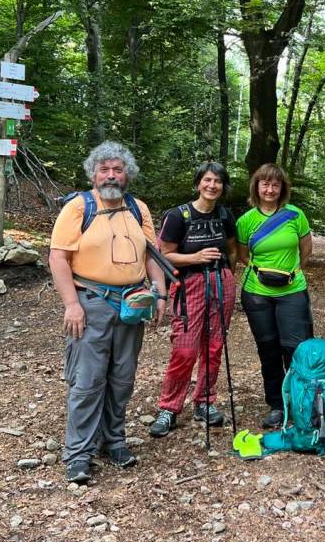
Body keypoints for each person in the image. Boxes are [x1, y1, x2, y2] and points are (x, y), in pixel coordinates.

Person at [49, 141, 165, 485]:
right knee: (87, 381)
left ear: (127, 174)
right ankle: (78, 454)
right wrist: (72, 304)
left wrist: (159, 294)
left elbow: (151, 255)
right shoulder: (78, 207)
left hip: (133, 303)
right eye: (104, 169)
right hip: (91, 302)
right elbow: (58, 257)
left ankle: (113, 442)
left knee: (122, 378)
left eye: (117, 169)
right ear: (93, 174)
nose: (111, 175)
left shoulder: (138, 207)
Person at [148, 161, 238, 438]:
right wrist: (195, 259)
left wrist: (227, 276)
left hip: (221, 283)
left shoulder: (224, 214)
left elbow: (232, 250)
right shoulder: (178, 216)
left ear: (223, 187)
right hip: (189, 284)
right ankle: (169, 408)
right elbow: (163, 254)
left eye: (218, 182)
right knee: (185, 349)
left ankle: (205, 401)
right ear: (198, 183)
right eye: (207, 180)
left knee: (213, 346)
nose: (212, 186)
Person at [236, 163, 314, 429]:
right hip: (257, 293)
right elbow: (243, 255)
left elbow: (306, 250)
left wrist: (291, 272)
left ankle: (302, 400)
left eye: (275, 185)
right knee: (268, 350)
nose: (270, 189)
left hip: (292, 291)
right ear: (256, 187)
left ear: (283, 189)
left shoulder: (296, 215)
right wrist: (264, 273)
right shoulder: (245, 221)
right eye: (265, 184)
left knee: (296, 349)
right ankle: (277, 405)